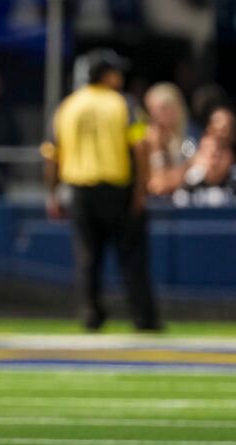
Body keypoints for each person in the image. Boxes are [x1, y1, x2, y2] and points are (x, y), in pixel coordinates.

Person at [41, 49, 161, 332]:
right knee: (132, 258)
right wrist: (141, 192)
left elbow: (51, 156)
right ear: (106, 75)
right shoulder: (124, 103)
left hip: (81, 191)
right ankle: (143, 318)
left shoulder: (67, 106)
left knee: (87, 258)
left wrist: (53, 194)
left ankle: (91, 314)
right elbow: (141, 148)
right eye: (116, 71)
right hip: (117, 190)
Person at [144, 82, 198, 196]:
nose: (155, 115)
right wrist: (156, 148)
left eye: (162, 108)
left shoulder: (191, 138)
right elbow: (156, 185)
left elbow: (161, 185)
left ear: (176, 108)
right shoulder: (149, 138)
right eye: (150, 110)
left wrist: (156, 149)